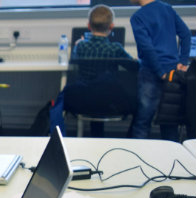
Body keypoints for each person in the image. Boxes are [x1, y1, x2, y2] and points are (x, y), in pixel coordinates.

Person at [68, 4, 134, 137]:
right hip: (108, 101)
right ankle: (132, 140)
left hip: (84, 101)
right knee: (141, 107)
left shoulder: (80, 47)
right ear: (111, 27)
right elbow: (134, 67)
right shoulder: (115, 49)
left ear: (88, 26)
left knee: (93, 92)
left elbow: (74, 58)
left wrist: (77, 45)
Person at [128, 0, 191, 141]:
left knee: (143, 121)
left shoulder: (137, 17)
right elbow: (186, 34)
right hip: (173, 72)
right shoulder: (167, 8)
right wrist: (183, 61)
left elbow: (147, 48)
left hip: (151, 71)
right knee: (169, 122)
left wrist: (159, 70)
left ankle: (138, 156)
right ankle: (172, 159)